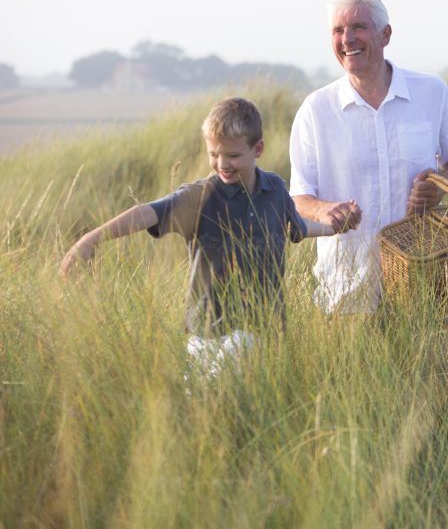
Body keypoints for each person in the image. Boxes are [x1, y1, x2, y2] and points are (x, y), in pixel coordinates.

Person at [60, 97, 345, 376]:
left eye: (232, 155)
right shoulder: (200, 196)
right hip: (204, 329)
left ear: (257, 149)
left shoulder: (274, 190)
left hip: (260, 328)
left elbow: (295, 227)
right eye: (214, 154)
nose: (222, 164)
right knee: (201, 395)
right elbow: (148, 213)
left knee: (232, 366)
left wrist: (332, 227)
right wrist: (91, 239)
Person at [289, 0, 448, 313]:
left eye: (358, 27)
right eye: (337, 30)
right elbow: (299, 197)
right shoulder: (316, 109)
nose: (347, 39)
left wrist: (439, 186)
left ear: (385, 34)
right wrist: (324, 211)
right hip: (346, 288)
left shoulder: (431, 91)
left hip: (422, 280)